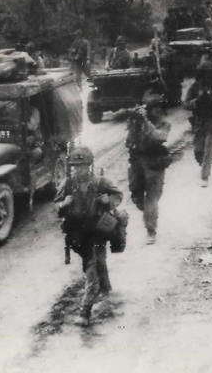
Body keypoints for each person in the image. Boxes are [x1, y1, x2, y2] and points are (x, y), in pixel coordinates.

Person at [56, 146, 125, 321]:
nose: (79, 170)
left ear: (89, 166)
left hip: (97, 231)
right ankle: (106, 290)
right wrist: (64, 204)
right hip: (78, 235)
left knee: (93, 266)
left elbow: (118, 195)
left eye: (82, 166)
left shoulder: (100, 182)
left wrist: (108, 201)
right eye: (75, 166)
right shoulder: (67, 184)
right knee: (96, 262)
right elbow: (55, 206)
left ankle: (84, 312)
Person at [126, 93, 171, 245]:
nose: (157, 111)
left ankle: (151, 230)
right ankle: (148, 214)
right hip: (137, 162)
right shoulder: (138, 123)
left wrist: (145, 122)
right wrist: (133, 123)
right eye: (154, 108)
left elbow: (160, 137)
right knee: (136, 194)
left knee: (152, 197)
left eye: (159, 108)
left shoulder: (164, 123)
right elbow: (128, 141)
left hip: (154, 162)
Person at [184, 58, 212, 187]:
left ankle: (204, 176)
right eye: (204, 73)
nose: (206, 76)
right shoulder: (195, 87)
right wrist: (197, 101)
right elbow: (185, 104)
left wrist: (211, 100)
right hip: (198, 121)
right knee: (198, 151)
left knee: (209, 150)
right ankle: (203, 165)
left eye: (209, 73)